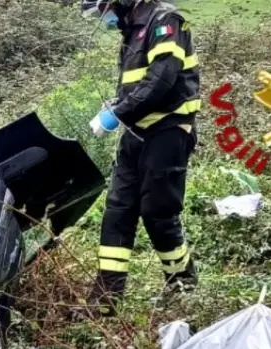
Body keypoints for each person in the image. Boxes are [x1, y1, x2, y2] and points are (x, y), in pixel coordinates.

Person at [82, 0, 201, 317]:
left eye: (103, 8)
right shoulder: (132, 28)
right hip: (134, 135)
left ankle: (183, 289)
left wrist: (116, 114)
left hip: (168, 131)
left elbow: (161, 80)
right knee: (117, 212)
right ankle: (106, 300)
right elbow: (135, 85)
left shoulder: (165, 22)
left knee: (158, 214)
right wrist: (116, 107)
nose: (104, 16)